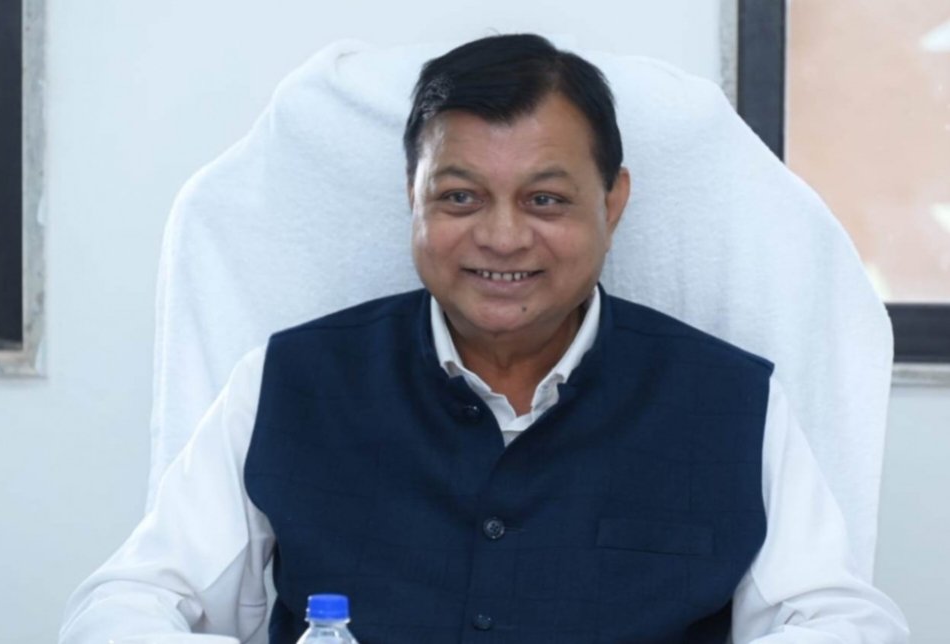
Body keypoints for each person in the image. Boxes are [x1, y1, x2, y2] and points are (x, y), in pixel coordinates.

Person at [60, 34, 909, 643]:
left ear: (613, 202)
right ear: (413, 196)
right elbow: (121, 609)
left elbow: (840, 622)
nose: (502, 239)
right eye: (460, 197)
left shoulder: (729, 403)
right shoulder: (290, 382)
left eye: (545, 200)